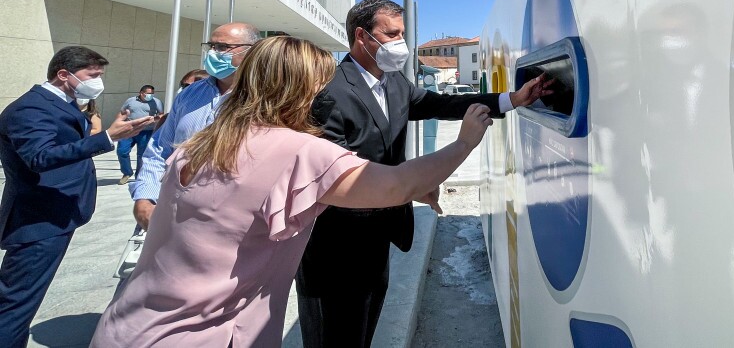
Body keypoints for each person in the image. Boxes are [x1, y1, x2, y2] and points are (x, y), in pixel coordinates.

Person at [90, 36, 495, 348]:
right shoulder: (299, 152)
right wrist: (464, 144)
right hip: (208, 336)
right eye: (321, 85)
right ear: (300, 90)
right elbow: (398, 185)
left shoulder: (199, 144)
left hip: (129, 326)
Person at [296, 0, 553, 348]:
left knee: (362, 333)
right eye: (392, 33)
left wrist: (512, 99)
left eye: (403, 33)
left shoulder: (394, 84)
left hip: (377, 239)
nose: (401, 42)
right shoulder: (330, 92)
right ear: (362, 36)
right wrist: (410, 185)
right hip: (336, 252)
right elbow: (334, 181)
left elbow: (442, 104)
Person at [0, 46, 153, 348]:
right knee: (16, 303)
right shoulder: (32, 108)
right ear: (63, 74)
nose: (98, 81)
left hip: (57, 214)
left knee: (23, 299)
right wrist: (108, 138)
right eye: (92, 75)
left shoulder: (64, 102)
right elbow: (40, 157)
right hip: (39, 220)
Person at [129, 23, 259, 230]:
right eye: (212, 46)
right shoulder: (190, 94)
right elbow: (159, 149)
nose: (214, 53)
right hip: (173, 212)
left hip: (231, 221)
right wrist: (145, 198)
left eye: (223, 47)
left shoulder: (265, 99)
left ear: (251, 51)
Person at [116, 85, 164, 185]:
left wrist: (155, 119)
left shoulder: (157, 102)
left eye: (152, 93)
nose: (150, 95)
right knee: (122, 151)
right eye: (148, 93)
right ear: (141, 93)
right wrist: (119, 125)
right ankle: (127, 173)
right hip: (129, 130)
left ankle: (139, 176)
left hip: (146, 131)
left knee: (142, 155)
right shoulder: (131, 101)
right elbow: (122, 112)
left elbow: (162, 115)